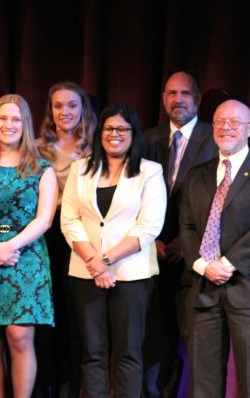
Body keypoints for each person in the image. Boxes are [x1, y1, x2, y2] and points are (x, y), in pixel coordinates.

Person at [180, 99, 250, 398]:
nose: (225, 127)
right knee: (202, 380)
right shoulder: (196, 175)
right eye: (219, 122)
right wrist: (204, 266)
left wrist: (226, 264)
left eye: (234, 122)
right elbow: (187, 227)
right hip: (204, 288)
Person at [61, 103, 167, 397]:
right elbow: (69, 221)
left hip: (131, 275)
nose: (115, 134)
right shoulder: (79, 169)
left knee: (128, 354)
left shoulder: (150, 172)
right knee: (93, 354)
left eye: (122, 128)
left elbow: (148, 227)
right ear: (100, 133)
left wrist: (105, 261)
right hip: (85, 273)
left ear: (134, 133)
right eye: (109, 128)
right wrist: (94, 262)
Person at [0, 94, 58, 398]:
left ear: (26, 125)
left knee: (19, 336)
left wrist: (10, 245)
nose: (9, 125)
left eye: (16, 119)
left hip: (26, 256)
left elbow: (44, 219)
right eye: (3, 118)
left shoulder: (41, 168)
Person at [141, 70, 217, 397]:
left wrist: (186, 244)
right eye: (172, 93)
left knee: (193, 342)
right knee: (153, 342)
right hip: (150, 255)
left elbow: (221, 202)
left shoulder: (216, 138)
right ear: (163, 99)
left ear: (197, 99)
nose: (178, 100)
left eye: (185, 93)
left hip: (194, 257)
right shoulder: (145, 139)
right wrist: (150, 240)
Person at [35, 81, 97, 397]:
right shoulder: (36, 148)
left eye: (72, 105)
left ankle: (73, 388)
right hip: (45, 238)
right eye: (58, 106)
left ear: (82, 109)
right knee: (47, 315)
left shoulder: (96, 148)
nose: (65, 112)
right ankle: (46, 385)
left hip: (82, 238)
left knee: (76, 315)